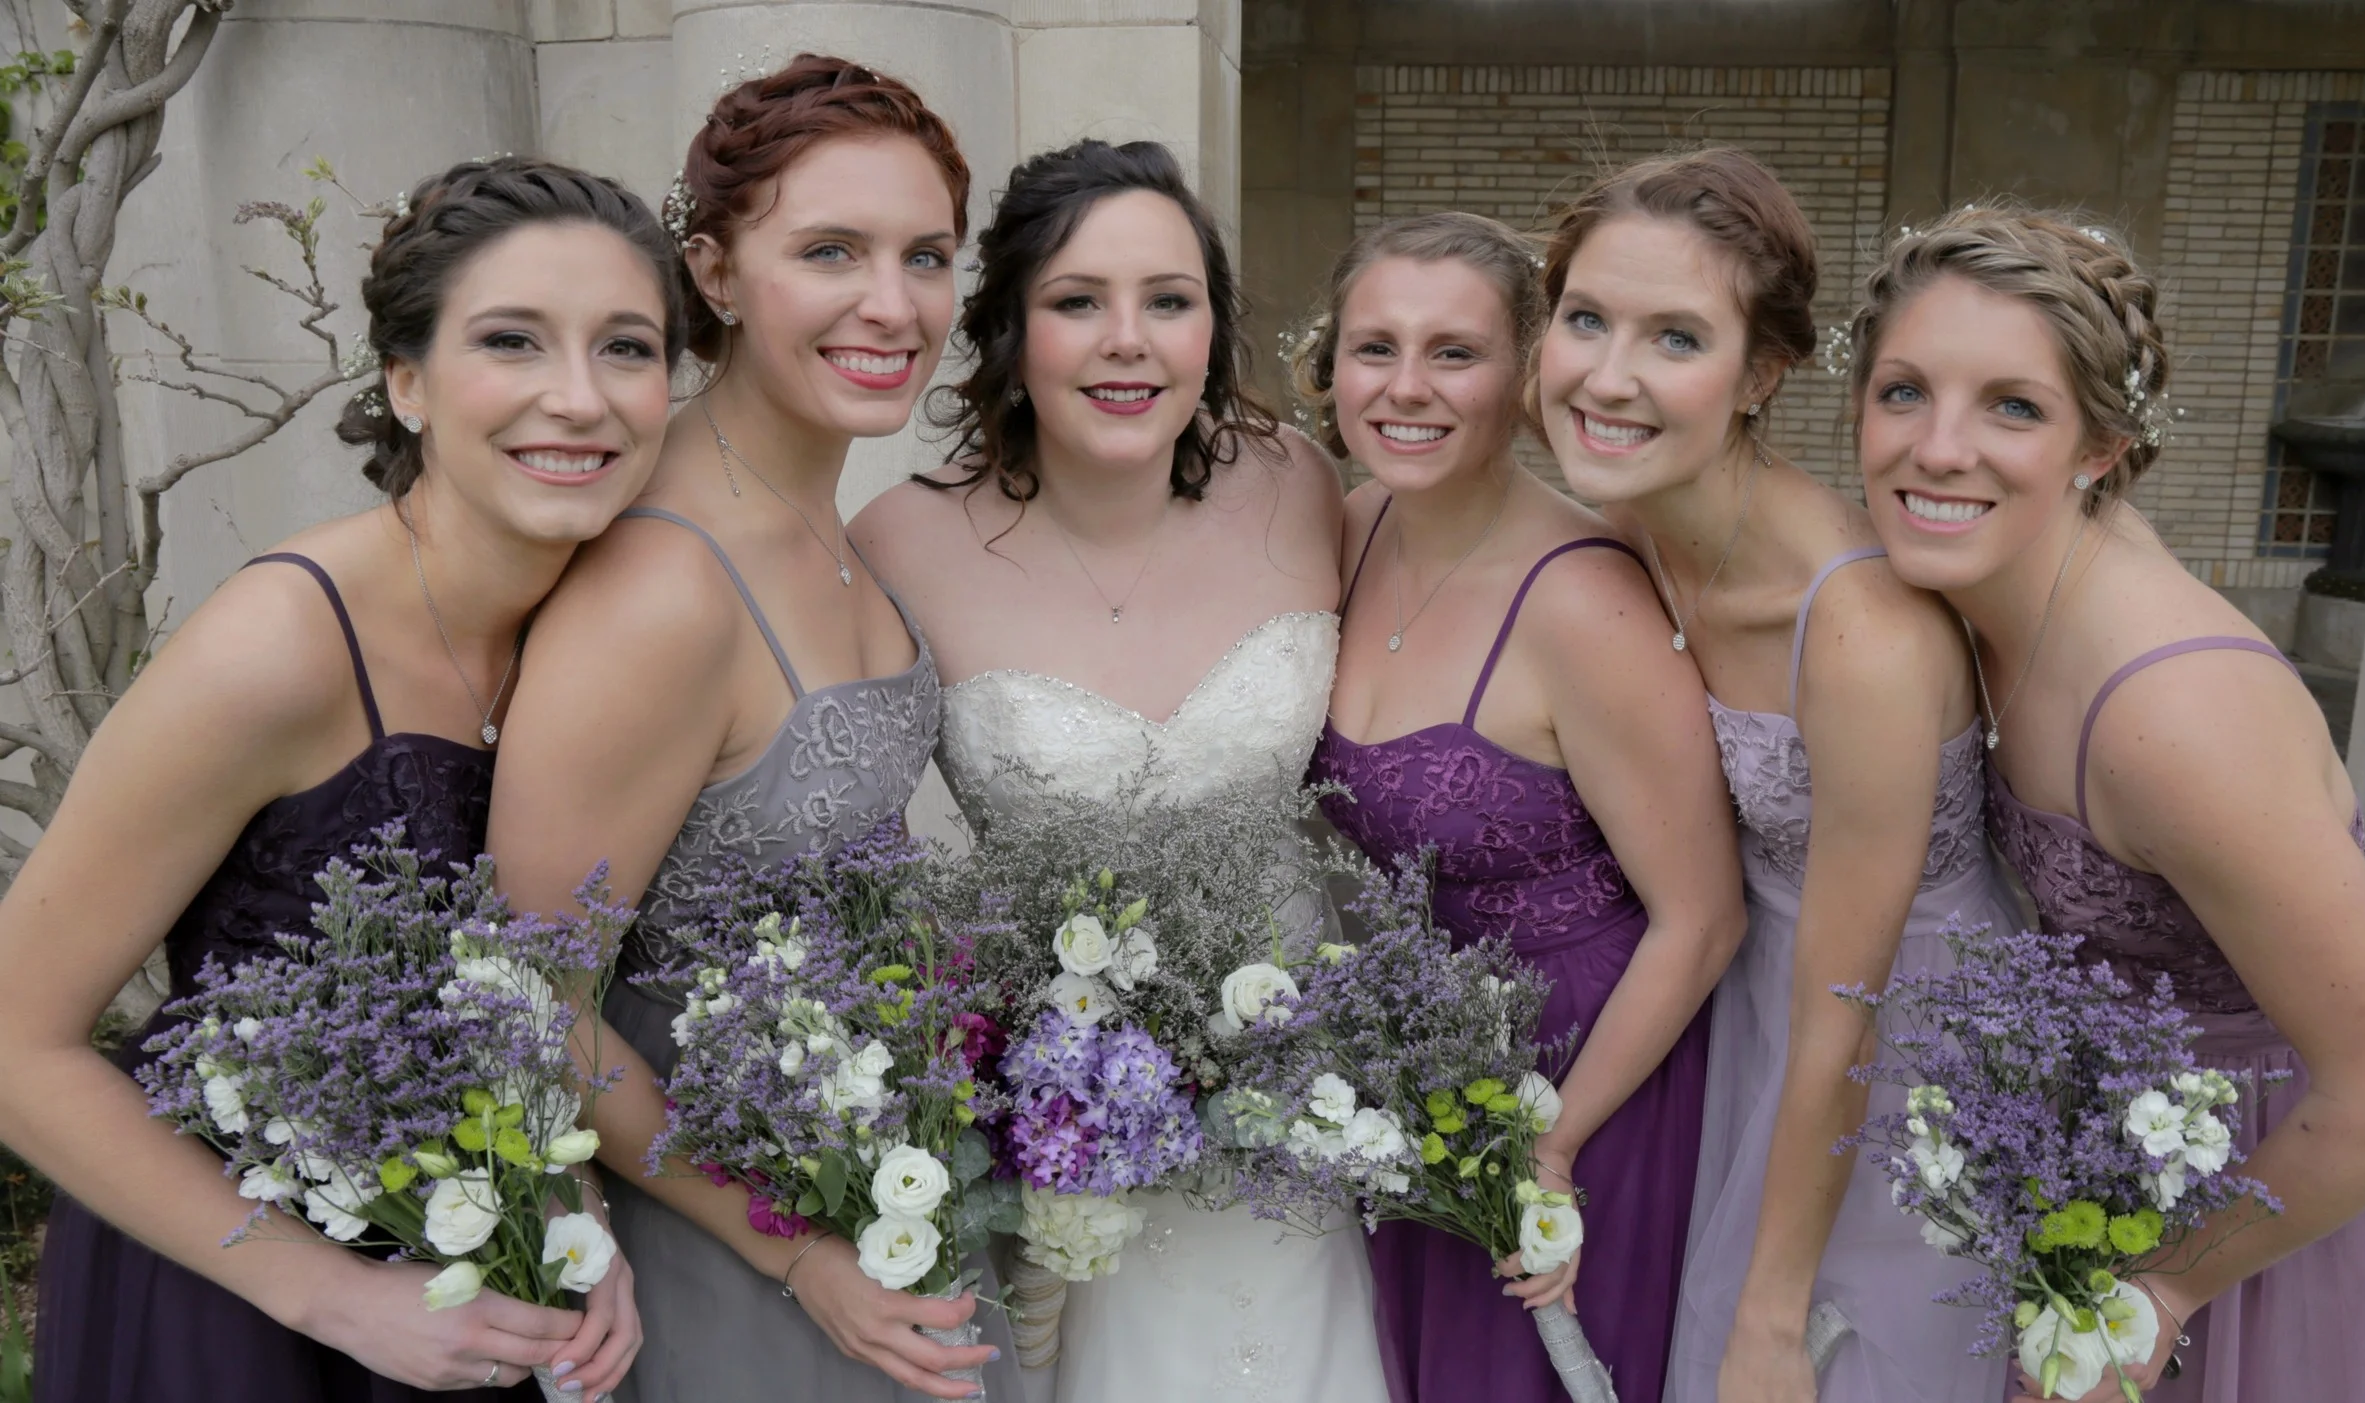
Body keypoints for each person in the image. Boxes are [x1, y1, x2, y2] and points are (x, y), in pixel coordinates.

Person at [0, 156, 681, 1402]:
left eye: (625, 348)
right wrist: (334, 1294)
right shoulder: (278, 648)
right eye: (512, 341)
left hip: (480, 1265)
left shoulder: (602, 632)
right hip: (235, 1294)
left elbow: (525, 985)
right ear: (405, 381)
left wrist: (570, 1203)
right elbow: (13, 1041)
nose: (579, 397)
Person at [1849, 202, 2365, 1403]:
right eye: (1904, 391)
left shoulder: (2172, 717)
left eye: (2011, 406)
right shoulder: (1994, 579)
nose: (1937, 447)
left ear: (2099, 445)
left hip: (2275, 1189)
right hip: (2116, 1159)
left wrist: (2163, 1292)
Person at [482, 56, 1006, 1403]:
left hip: (866, 1177)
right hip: (728, 1245)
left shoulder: (825, 511)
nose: (893, 303)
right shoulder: (661, 584)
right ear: (713, 271)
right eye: (830, 251)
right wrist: (795, 1250)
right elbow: (529, 993)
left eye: (926, 255)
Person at [851, 137, 1388, 1403]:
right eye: (1078, 301)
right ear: (1008, 329)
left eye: (1169, 300)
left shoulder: (1300, 486)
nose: (1127, 341)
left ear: (1213, 328)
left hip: (1296, 1090)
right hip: (1061, 1119)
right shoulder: (898, 542)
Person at [1529, 148, 2024, 1403]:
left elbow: (1851, 1007)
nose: (1607, 375)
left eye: (1675, 337)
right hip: (1757, 1006)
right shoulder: (1632, 514)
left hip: (1898, 1053)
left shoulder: (1859, 631)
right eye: (1583, 319)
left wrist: (1770, 1312)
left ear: (1759, 374)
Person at [1296, 210, 1744, 1403]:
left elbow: (1702, 917)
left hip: (1592, 1068)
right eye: (1374, 347)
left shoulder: (1584, 601)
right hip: (1432, 1056)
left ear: (1525, 375)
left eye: (1454, 352)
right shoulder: (1350, 530)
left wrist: (1554, 1144)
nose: (1405, 387)